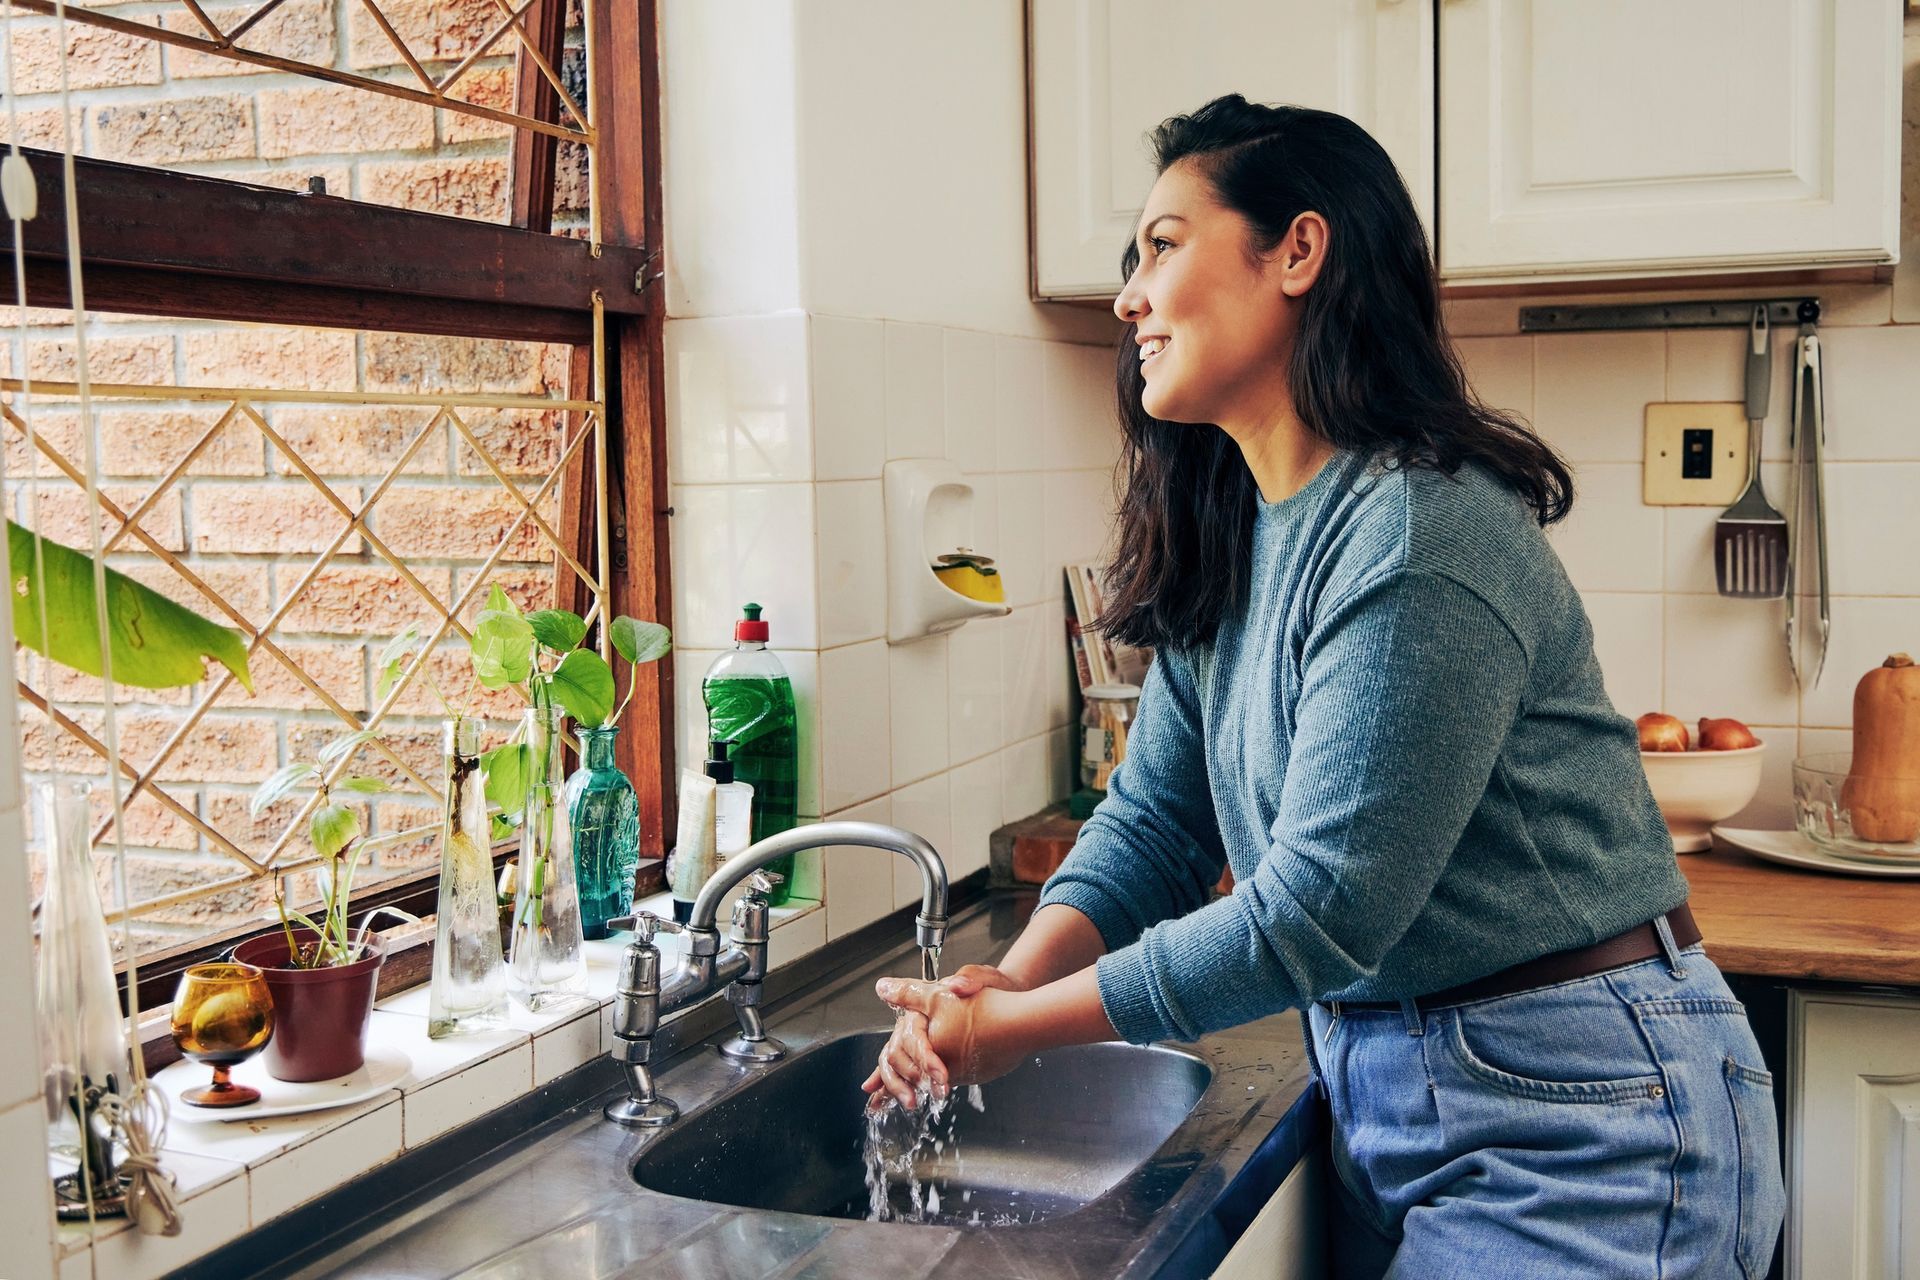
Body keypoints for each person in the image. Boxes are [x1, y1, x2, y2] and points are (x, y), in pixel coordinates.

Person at [858, 95, 1786, 1278]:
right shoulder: (1239, 534)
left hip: (1584, 1118)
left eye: (1161, 245)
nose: (1129, 297)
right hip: (1400, 1102)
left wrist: (1016, 1031)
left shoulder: (1414, 527)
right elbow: (1154, 819)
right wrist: (1005, 977)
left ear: (1297, 249)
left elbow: (1315, 910)